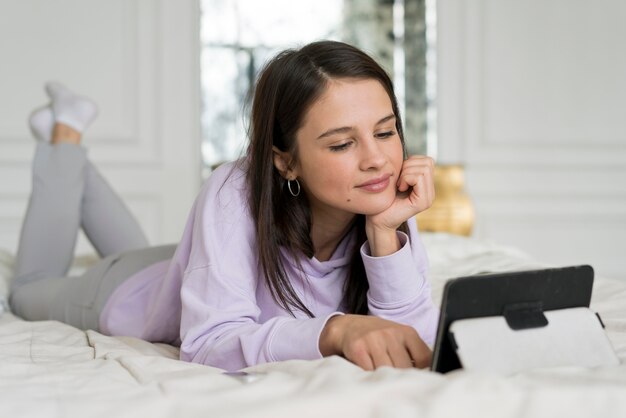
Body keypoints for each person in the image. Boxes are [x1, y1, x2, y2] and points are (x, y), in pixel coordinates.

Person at [10, 40, 438, 372]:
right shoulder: (234, 190)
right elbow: (209, 344)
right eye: (343, 143)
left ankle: (70, 155)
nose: (377, 159)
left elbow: (416, 344)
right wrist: (335, 331)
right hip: (125, 291)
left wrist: (385, 235)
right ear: (285, 160)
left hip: (179, 271)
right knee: (27, 289)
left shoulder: (381, 197)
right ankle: (66, 135)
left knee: (162, 263)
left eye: (385, 132)